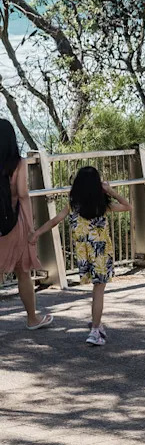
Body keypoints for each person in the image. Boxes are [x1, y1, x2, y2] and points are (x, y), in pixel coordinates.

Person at [29, 167, 131, 344]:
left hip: (84, 253)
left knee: (96, 289)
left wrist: (37, 233)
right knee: (99, 290)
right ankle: (95, 331)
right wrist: (110, 190)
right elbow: (128, 206)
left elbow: (54, 221)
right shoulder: (103, 205)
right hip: (101, 252)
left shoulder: (72, 206)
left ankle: (96, 324)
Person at [0, 120, 51, 331]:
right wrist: (31, 228)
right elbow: (22, 195)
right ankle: (32, 318)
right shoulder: (18, 164)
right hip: (14, 224)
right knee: (23, 272)